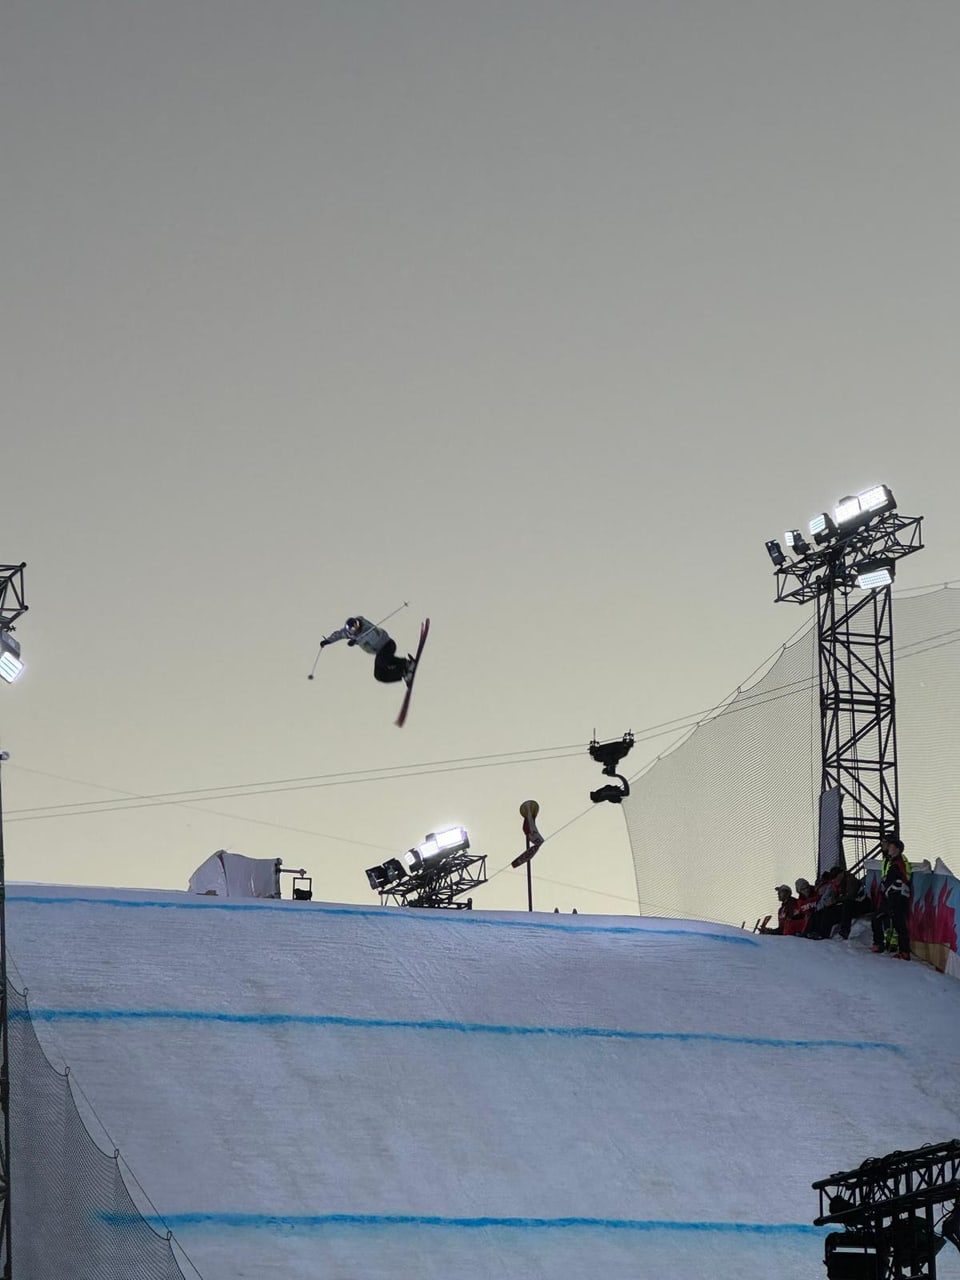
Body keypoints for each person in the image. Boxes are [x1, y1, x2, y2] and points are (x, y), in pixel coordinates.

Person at [319, 616, 415, 684]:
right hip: (380, 652)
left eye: (358, 629)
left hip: (387, 645)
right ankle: (405, 665)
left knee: (381, 663)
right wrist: (328, 641)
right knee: (379, 675)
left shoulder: (366, 626)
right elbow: (339, 634)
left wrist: (355, 640)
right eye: (355, 631)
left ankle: (404, 671)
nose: (358, 631)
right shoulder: (350, 633)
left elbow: (368, 635)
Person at [871, 834, 912, 959]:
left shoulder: (899, 862)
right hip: (891, 897)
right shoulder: (891, 861)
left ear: (897, 849)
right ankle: (881, 944)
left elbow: (903, 878)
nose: (889, 848)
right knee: (879, 919)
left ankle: (904, 952)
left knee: (898, 924)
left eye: (892, 847)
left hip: (897, 898)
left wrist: (892, 887)